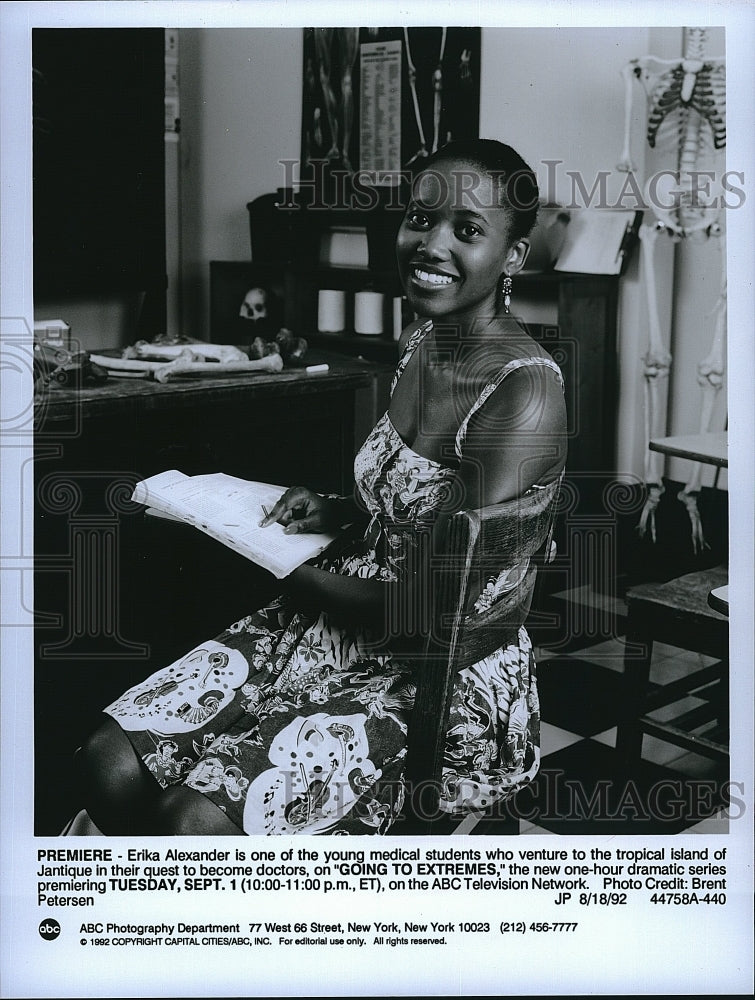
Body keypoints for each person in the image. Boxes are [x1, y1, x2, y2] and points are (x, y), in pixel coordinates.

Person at [75, 139, 567, 836]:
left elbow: (429, 610)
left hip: (431, 668)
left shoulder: (522, 392)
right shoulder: (422, 342)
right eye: (418, 219)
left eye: (466, 229)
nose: (429, 244)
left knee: (188, 825)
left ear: (513, 256)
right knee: (105, 761)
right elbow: (409, 506)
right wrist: (333, 507)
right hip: (327, 617)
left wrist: (267, 560)